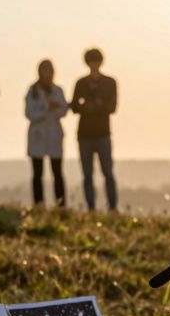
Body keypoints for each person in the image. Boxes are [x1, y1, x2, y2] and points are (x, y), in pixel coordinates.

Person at [70, 47, 117, 212]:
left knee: (107, 172)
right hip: (85, 134)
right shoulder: (81, 83)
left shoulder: (110, 82)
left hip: (102, 133)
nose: (94, 65)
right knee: (87, 174)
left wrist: (95, 106)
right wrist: (87, 107)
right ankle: (91, 207)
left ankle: (112, 207)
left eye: (96, 61)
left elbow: (112, 107)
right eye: (92, 62)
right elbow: (74, 106)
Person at [25, 59, 69, 207]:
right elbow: (29, 113)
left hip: (54, 135)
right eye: (45, 71)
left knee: (57, 172)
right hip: (38, 136)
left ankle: (60, 204)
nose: (47, 74)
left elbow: (64, 110)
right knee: (38, 174)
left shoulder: (58, 90)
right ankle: (39, 204)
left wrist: (55, 108)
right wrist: (46, 107)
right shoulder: (32, 91)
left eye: (49, 71)